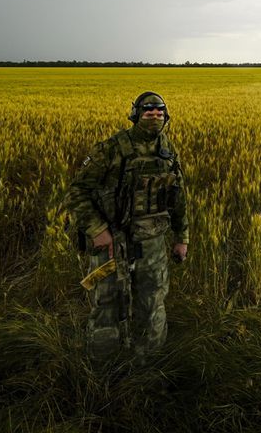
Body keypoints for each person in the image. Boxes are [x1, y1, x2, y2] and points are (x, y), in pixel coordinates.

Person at [66, 91, 189, 364]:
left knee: (152, 303)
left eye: (159, 114)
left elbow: (179, 198)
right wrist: (98, 230)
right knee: (107, 305)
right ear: (136, 115)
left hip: (153, 245)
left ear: (166, 117)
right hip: (112, 243)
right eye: (148, 113)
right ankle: (102, 368)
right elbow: (77, 192)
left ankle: (148, 366)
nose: (154, 118)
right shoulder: (111, 149)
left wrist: (182, 238)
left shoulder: (168, 152)